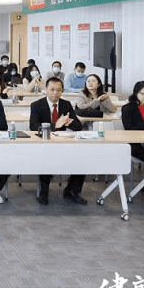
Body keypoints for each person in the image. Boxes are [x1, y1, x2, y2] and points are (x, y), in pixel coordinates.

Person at [28, 77, 85, 205]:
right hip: (44, 143)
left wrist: (70, 123)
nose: (55, 93)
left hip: (63, 142)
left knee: (81, 158)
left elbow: (78, 126)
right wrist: (55, 125)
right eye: (52, 89)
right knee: (46, 157)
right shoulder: (37, 105)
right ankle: (43, 192)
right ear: (46, 89)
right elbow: (33, 126)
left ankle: (72, 190)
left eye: (59, 90)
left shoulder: (66, 104)